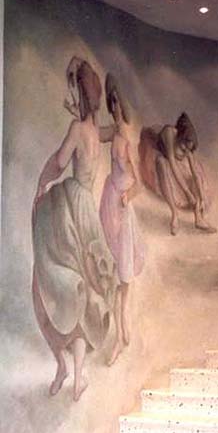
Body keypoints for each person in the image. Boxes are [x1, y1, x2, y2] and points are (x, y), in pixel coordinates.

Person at [32, 58, 117, 401]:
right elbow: (113, 130)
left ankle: (66, 368)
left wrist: (42, 183)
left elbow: (59, 161)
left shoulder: (80, 129)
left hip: (72, 207)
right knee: (81, 289)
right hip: (85, 210)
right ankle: (76, 374)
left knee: (57, 283)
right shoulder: (95, 131)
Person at [99, 74, 145, 366]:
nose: (114, 107)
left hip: (122, 208)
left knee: (123, 277)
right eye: (111, 102)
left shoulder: (125, 139)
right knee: (118, 276)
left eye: (117, 103)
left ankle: (122, 331)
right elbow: (94, 132)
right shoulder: (113, 134)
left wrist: (128, 197)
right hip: (111, 204)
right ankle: (120, 333)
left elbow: (139, 183)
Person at [138, 113, 216, 235]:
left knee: (196, 177)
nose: (186, 151)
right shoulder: (169, 133)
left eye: (188, 150)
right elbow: (172, 164)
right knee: (161, 163)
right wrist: (187, 193)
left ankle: (198, 218)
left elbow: (195, 173)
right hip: (166, 160)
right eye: (184, 148)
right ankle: (175, 213)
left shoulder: (187, 148)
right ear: (179, 137)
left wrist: (201, 197)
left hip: (178, 164)